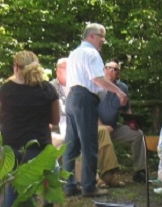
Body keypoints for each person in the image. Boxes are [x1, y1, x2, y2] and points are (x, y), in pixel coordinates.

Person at [0, 51, 61, 207]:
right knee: (29, 196)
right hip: (39, 150)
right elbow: (55, 120)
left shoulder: (7, 89)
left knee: (10, 191)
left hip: (12, 149)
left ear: (16, 67)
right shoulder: (47, 89)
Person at [62, 23, 128, 198]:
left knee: (71, 144)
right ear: (91, 36)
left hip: (72, 98)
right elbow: (97, 79)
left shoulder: (74, 53)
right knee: (89, 143)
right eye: (101, 37)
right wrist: (118, 91)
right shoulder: (92, 54)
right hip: (85, 98)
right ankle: (89, 186)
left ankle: (68, 185)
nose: (103, 41)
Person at [50, 58, 121, 187]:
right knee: (79, 139)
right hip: (64, 125)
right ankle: (93, 178)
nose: (71, 71)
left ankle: (109, 174)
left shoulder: (76, 84)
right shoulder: (52, 87)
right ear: (58, 71)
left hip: (83, 121)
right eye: (67, 68)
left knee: (102, 131)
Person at [99, 61, 147, 182]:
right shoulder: (97, 85)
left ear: (118, 74)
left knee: (138, 134)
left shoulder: (123, 88)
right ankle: (104, 174)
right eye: (109, 68)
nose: (112, 71)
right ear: (103, 69)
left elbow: (127, 110)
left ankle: (140, 171)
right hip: (96, 126)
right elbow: (90, 110)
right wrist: (101, 126)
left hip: (114, 126)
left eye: (115, 69)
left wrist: (132, 123)